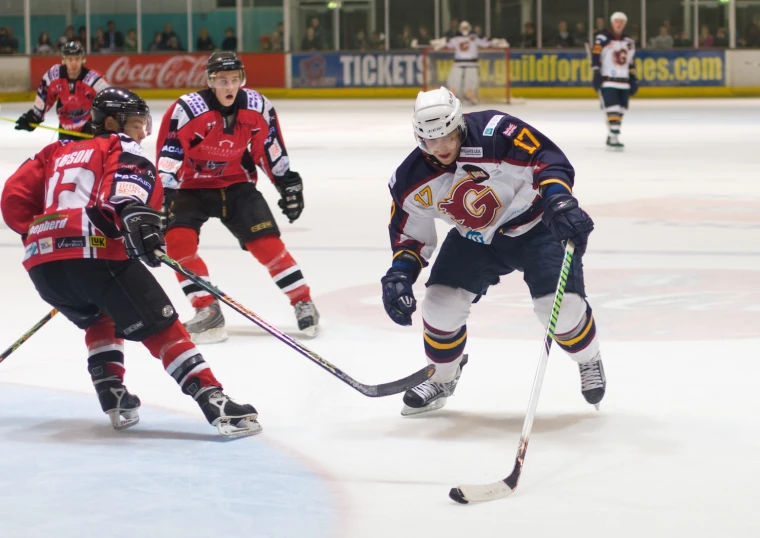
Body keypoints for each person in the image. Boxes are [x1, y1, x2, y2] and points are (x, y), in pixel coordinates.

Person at [0, 87, 260, 438]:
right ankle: (213, 398)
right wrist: (135, 216)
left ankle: (113, 393)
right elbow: (127, 186)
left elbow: (13, 198)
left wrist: (49, 234)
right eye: (137, 123)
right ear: (111, 122)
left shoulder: (53, 150)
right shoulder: (118, 145)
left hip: (43, 265)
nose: (141, 132)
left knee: (99, 314)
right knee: (163, 324)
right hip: (95, 253)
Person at [381, 87, 605, 416]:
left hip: (535, 228)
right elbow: (409, 235)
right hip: (474, 240)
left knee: (560, 309)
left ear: (459, 125)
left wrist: (559, 200)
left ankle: (589, 359)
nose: (441, 148)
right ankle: (443, 378)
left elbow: (546, 159)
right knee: (439, 305)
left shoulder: (497, 133)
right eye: (431, 141)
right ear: (419, 138)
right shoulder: (409, 179)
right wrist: (400, 273)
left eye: (446, 136)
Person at [155, 52, 320, 344]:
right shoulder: (188, 110)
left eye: (234, 80)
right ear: (210, 82)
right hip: (189, 187)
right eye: (222, 80)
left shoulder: (257, 108)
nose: (229, 86)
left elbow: (269, 148)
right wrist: (163, 195)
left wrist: (286, 182)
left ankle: (302, 301)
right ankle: (207, 309)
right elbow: (170, 153)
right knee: (178, 242)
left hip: (235, 184)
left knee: (267, 244)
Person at [15, 42, 109, 141]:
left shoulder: (94, 79)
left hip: (87, 127)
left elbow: (109, 98)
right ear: (63, 60)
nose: (74, 63)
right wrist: (34, 117)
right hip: (65, 128)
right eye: (70, 59)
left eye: (77, 59)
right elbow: (44, 97)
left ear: (83, 59)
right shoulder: (53, 76)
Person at [591, 12, 637, 150]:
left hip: (624, 81)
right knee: (613, 109)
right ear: (612, 23)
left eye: (622, 22)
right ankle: (613, 136)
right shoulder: (602, 38)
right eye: (617, 21)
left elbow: (631, 62)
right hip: (608, 80)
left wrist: (634, 78)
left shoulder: (629, 42)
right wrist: (596, 72)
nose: (619, 24)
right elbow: (596, 55)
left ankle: (612, 135)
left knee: (621, 110)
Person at [435, 21, 504, 105]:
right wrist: (496, 41)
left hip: (469, 64)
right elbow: (485, 43)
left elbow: (445, 43)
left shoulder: (466, 38)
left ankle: (469, 96)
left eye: (466, 28)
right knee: (454, 81)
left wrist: (439, 43)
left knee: (470, 82)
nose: (465, 30)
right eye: (463, 28)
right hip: (462, 63)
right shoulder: (466, 38)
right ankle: (455, 97)